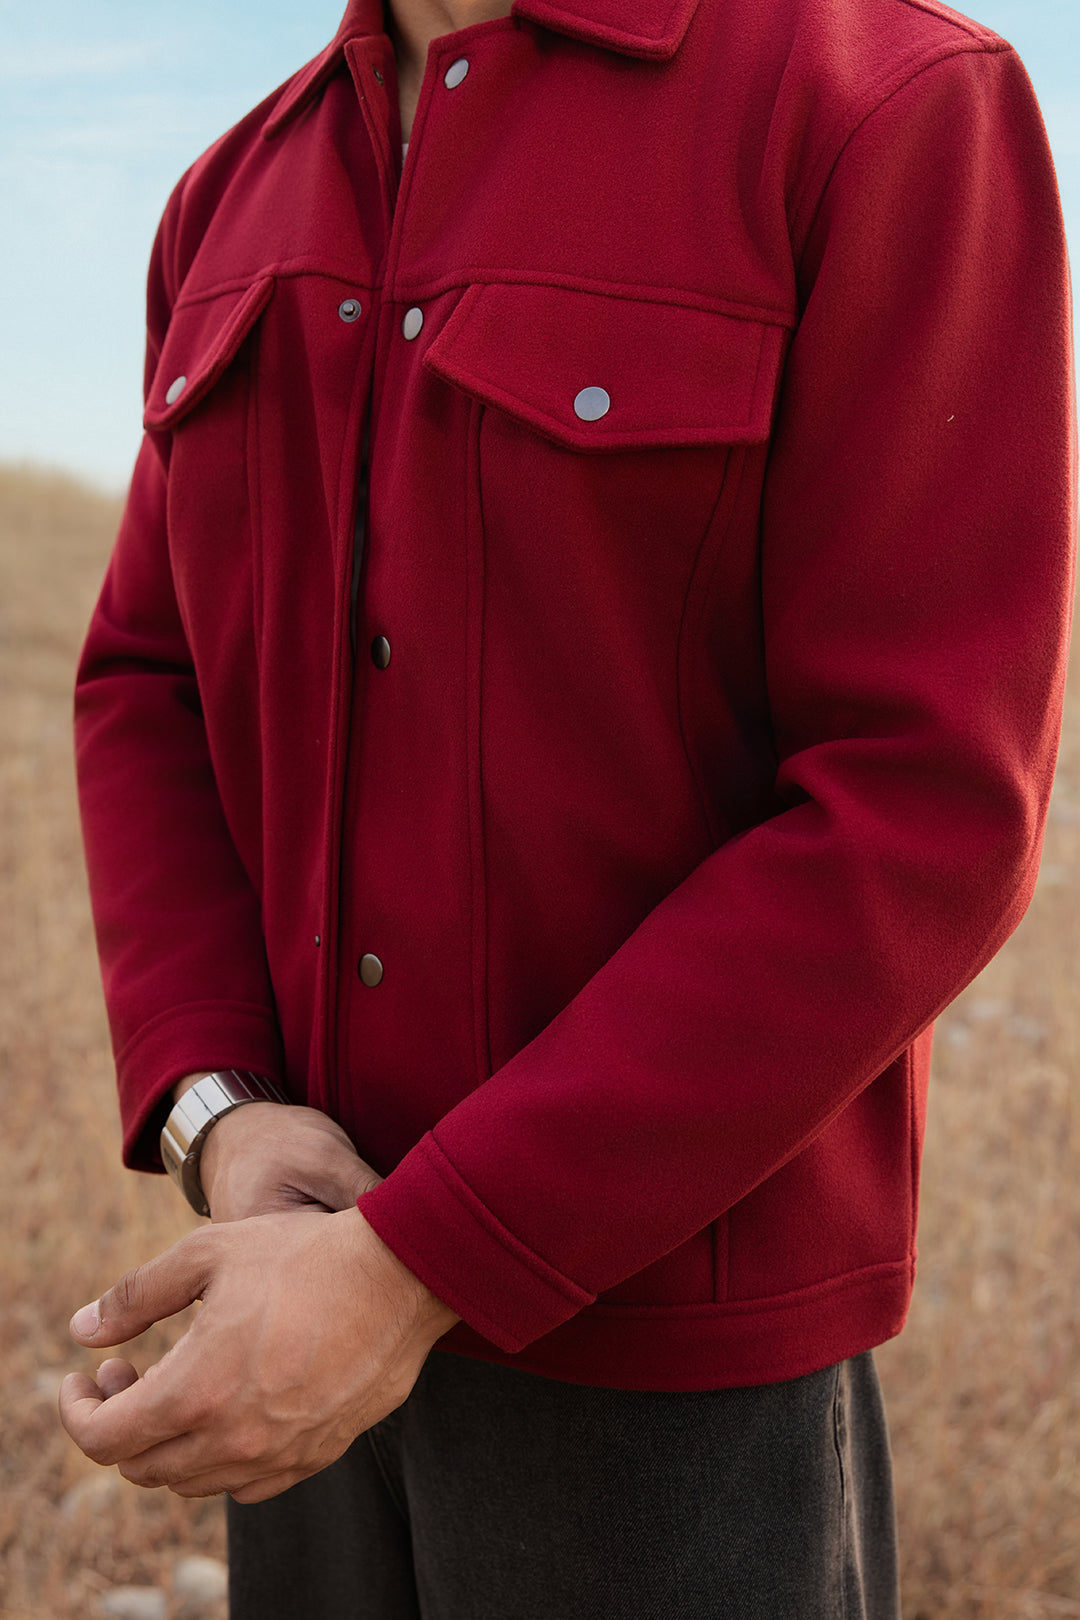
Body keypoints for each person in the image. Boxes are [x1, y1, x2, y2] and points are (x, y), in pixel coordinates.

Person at [61, 0, 1075, 1614]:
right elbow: (148, 681)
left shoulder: (885, 105)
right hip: (282, 1315)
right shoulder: (227, 194)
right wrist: (223, 1115)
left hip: (668, 1397)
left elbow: (924, 799)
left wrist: (420, 1264)